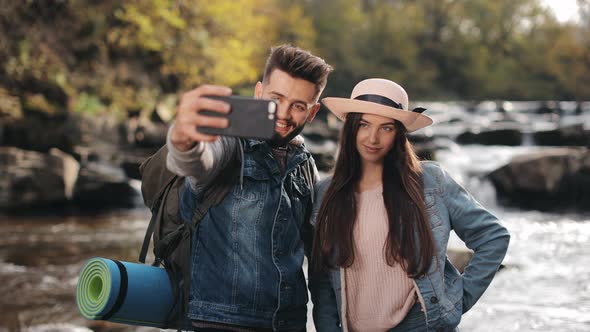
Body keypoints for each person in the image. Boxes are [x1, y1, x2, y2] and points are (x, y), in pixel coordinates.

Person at [309, 78, 510, 332]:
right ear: (350, 127)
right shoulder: (325, 194)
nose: (373, 138)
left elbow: (493, 236)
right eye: (364, 125)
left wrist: (458, 300)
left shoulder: (429, 181)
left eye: (386, 128)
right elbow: (321, 281)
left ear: (399, 134)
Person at [165, 44, 332, 332]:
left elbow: (319, 261)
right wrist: (183, 138)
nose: (284, 113)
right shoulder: (229, 144)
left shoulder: (306, 165)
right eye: (275, 99)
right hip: (223, 321)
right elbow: (197, 161)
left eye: (298, 106)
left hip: (289, 324)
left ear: (313, 112)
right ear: (258, 93)